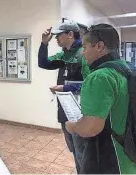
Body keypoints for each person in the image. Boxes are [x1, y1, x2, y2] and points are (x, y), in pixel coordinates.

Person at [65, 23, 136, 174]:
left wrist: (71, 126)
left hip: (110, 160)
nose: (84, 53)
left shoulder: (100, 76)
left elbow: (90, 128)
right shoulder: (129, 68)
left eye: (86, 47)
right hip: (132, 155)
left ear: (99, 46)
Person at [38, 20, 90, 173]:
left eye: (58, 35)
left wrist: (65, 87)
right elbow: (44, 63)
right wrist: (43, 44)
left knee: (83, 152)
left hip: (80, 111)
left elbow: (90, 83)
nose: (56, 39)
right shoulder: (65, 54)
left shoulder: (84, 53)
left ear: (70, 34)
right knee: (75, 150)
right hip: (66, 109)